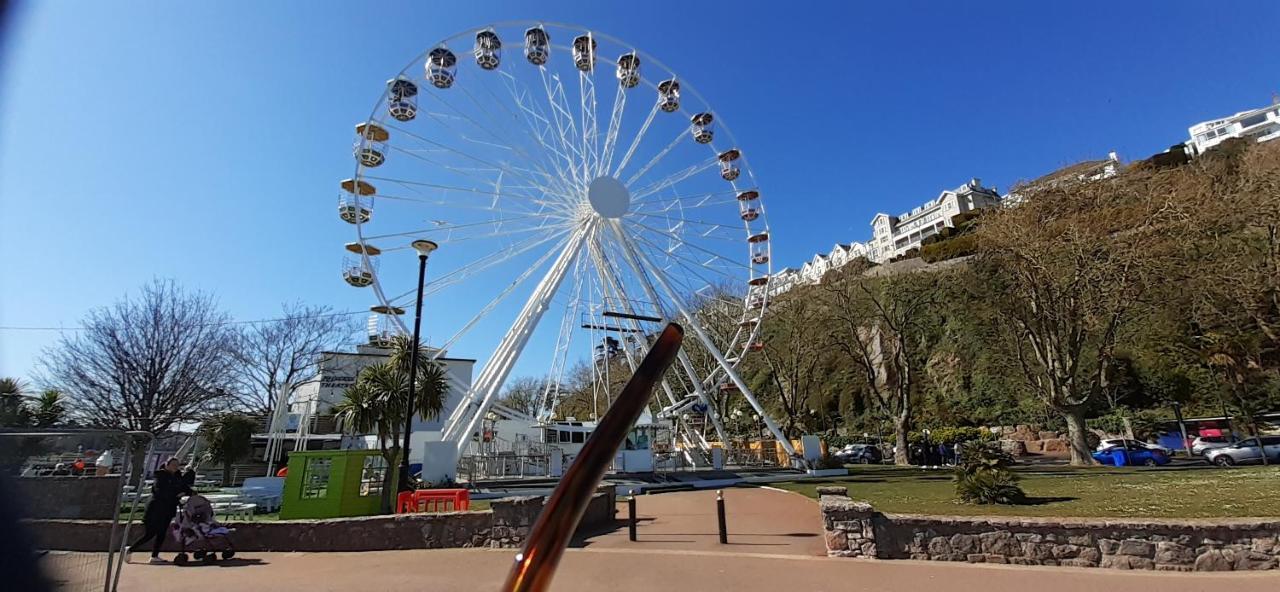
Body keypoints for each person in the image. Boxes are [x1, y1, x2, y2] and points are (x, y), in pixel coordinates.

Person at [127, 458, 193, 564]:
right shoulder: (160, 476)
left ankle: (154, 556)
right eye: (173, 465)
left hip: (168, 509)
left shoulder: (177, 476)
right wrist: (175, 494)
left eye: (177, 465)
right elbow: (160, 492)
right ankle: (130, 549)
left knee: (162, 533)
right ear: (167, 465)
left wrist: (190, 491)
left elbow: (184, 487)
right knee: (150, 533)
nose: (175, 467)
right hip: (155, 509)